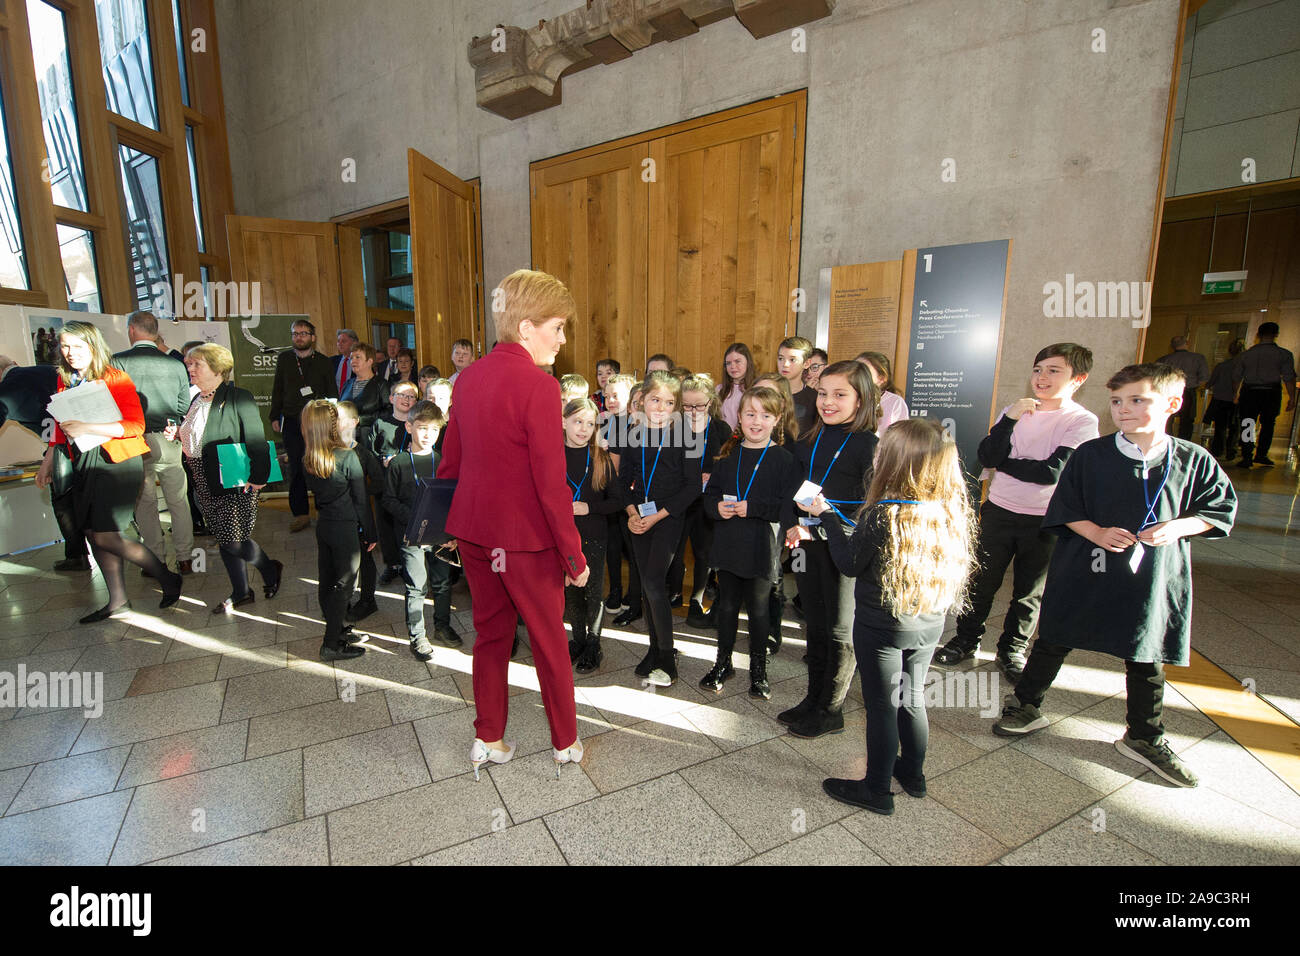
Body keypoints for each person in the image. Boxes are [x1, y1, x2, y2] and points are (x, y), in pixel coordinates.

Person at [993, 364, 1237, 788]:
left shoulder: (1193, 459)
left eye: (1138, 400)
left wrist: (1176, 527)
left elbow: (1216, 511)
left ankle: (1144, 734)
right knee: (1055, 637)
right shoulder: (1092, 455)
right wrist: (1097, 532)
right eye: (1118, 401)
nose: (1124, 410)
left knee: (1145, 651)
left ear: (1172, 404)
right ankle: (1027, 703)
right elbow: (1064, 508)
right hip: (1086, 565)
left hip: (1151, 576)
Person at [437, 269, 590, 779]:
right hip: (525, 542)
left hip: (475, 533)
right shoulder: (539, 386)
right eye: (558, 327)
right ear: (526, 328)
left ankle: (488, 738)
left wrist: (447, 527)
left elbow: (450, 461)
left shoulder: (471, 377)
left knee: (490, 634)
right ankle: (565, 742)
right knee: (548, 638)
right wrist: (574, 556)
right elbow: (551, 485)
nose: (563, 339)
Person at [809, 419, 977, 815]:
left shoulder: (883, 512)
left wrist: (827, 517)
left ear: (896, 462)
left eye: (883, 450)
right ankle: (913, 776)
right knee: (912, 697)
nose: (876, 454)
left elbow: (849, 563)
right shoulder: (948, 509)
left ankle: (876, 789)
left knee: (881, 705)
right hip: (928, 620)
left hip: (882, 625)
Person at [932, 343, 1099, 682]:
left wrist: (1005, 463)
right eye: (1038, 369)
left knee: (1028, 590)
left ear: (1078, 379)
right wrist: (1009, 421)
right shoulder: (1015, 409)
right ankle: (965, 639)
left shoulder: (1081, 420)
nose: (1042, 377)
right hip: (999, 509)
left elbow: (1052, 472)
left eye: (1054, 371)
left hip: (1047, 517)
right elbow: (987, 455)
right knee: (980, 581)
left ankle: (1011, 650)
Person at [34, 321, 182, 622]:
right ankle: (118, 601)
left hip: (117, 462)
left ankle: (166, 577)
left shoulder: (115, 378)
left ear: (92, 346)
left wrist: (87, 426)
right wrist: (48, 460)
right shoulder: (66, 379)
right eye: (65, 346)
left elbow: (135, 426)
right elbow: (62, 430)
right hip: (85, 461)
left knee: (104, 535)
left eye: (77, 346)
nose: (70, 353)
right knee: (91, 531)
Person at [786, 360, 881, 738]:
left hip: (842, 548)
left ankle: (831, 709)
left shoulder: (868, 446)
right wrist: (795, 521)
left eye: (840, 395)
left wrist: (825, 525)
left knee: (841, 629)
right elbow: (793, 488)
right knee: (817, 621)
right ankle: (813, 698)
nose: (828, 402)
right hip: (808, 541)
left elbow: (870, 509)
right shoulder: (810, 438)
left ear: (861, 400)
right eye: (823, 393)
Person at [700, 386, 800, 698]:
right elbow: (709, 496)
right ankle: (723, 662)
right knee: (727, 606)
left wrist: (753, 508)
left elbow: (788, 507)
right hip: (729, 544)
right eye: (750, 414)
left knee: (758, 610)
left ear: (777, 419)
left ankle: (758, 669)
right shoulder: (728, 458)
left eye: (765, 415)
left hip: (761, 545)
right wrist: (716, 507)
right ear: (739, 417)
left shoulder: (784, 460)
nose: (757, 421)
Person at [179, 344, 283, 614]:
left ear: (217, 368)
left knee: (235, 539)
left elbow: (256, 439)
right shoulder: (196, 399)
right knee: (224, 537)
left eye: (196, 364)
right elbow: (197, 435)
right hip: (203, 475)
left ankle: (269, 568)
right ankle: (241, 591)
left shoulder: (238, 396)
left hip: (234, 476)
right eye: (189, 364)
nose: (190, 368)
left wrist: (259, 477)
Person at [618, 369, 702, 687]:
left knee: (653, 582)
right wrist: (630, 512)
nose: (661, 407)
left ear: (676, 406)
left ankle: (667, 657)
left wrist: (657, 516)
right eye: (655, 400)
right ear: (642, 401)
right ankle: (654, 650)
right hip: (638, 517)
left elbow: (692, 486)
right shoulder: (632, 433)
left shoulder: (689, 435)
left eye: (669, 402)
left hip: (668, 518)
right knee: (646, 581)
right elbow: (621, 480)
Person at [112, 311, 194, 575]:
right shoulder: (175, 364)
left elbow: (112, 404)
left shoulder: (118, 361)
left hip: (134, 439)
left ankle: (155, 560)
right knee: (178, 500)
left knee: (144, 502)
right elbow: (184, 405)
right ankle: (185, 557)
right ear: (156, 332)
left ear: (132, 330)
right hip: (169, 436)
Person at [384, 399, 461, 660]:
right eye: (422, 428)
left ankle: (442, 625)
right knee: (416, 586)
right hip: (412, 536)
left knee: (441, 583)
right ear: (409, 427)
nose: (428, 435)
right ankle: (417, 636)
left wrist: (452, 534)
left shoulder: (443, 462)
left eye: (435, 429)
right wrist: (415, 518)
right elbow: (389, 500)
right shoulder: (399, 464)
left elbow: (452, 500)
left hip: (440, 534)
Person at [301, 399, 376, 661]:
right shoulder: (347, 457)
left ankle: (338, 628)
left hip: (325, 527)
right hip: (345, 529)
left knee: (327, 579)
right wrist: (371, 534)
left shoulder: (309, 459)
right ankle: (331, 642)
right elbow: (361, 502)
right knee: (344, 585)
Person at [0, 358, 90, 571]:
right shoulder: (51, 371)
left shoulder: (7, 388)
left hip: (60, 448)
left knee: (62, 501)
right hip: (87, 441)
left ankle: (77, 555)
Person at [562, 398, 623, 673]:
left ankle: (594, 643)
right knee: (571, 592)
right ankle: (577, 640)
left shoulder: (600, 458)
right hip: (563, 538)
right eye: (577, 422)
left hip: (594, 536)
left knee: (593, 592)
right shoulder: (552, 456)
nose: (583, 429)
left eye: (590, 424)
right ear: (563, 422)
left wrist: (590, 507)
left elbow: (617, 501)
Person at [669, 373, 727, 628]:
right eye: (687, 405)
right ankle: (674, 591)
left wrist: (712, 475)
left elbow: (728, 468)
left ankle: (697, 598)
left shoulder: (721, 430)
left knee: (704, 552)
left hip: (706, 502)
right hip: (680, 499)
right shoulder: (673, 427)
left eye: (699, 405)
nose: (693, 411)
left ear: (711, 403)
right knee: (675, 550)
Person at [269, 319, 337, 533]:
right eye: (295, 333)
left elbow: (332, 393)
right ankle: (300, 514)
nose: (299, 337)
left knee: (319, 465)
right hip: (291, 421)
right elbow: (278, 388)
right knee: (296, 467)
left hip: (317, 423)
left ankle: (323, 509)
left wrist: (332, 420)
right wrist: (274, 415)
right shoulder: (285, 359)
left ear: (312, 338)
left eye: (304, 333)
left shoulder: (324, 362)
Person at [368, 381, 420, 582]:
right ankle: (393, 564)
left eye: (412, 396)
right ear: (391, 398)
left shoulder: (417, 424)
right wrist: (382, 461)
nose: (407, 400)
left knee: (407, 523)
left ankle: (410, 564)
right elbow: (370, 452)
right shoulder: (380, 423)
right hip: (386, 483)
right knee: (386, 525)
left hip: (408, 485)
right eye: (402, 395)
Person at [336, 402, 379, 623]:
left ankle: (368, 599)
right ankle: (343, 596)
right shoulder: (330, 451)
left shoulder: (363, 453)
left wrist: (359, 492)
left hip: (360, 517)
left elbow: (379, 483)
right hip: (340, 518)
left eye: (341, 419)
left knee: (365, 558)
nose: (336, 423)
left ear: (354, 422)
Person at [1233, 321, 1297, 468]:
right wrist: (1292, 397)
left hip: (1250, 391)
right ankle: (1261, 454)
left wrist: (1235, 393)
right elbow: (1288, 377)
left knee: (1247, 423)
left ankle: (1247, 455)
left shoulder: (1247, 355)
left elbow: (1237, 377)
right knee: (1268, 424)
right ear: (1276, 335)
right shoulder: (1283, 354)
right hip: (1271, 391)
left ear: (1258, 335)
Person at [1155, 335, 1210, 441]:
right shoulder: (1198, 358)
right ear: (1187, 343)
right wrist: (1196, 385)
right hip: (1189, 391)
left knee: (1167, 418)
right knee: (1187, 421)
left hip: (1167, 391)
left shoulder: (1164, 359)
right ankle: (1183, 445)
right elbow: (1204, 378)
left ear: (1172, 346)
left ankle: (1166, 441)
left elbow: (1156, 378)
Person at [1203, 338, 1245, 459]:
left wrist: (1207, 385)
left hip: (1220, 399)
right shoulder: (1244, 367)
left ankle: (1217, 450)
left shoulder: (1222, 366)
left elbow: (1211, 382)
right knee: (1235, 427)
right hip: (1237, 400)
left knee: (1220, 427)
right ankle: (1232, 451)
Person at [856, 352, 909, 436]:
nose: (857, 376)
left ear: (882, 378)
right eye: (855, 371)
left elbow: (901, 436)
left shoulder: (895, 402)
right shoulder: (849, 398)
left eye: (865, 372)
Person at [339, 343, 389, 425]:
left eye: (357, 357)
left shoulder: (381, 384)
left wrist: (361, 420)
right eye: (351, 358)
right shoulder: (347, 384)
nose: (353, 361)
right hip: (346, 434)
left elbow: (388, 412)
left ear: (370, 361)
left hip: (370, 435)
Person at [778, 336, 817, 437]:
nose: (785, 364)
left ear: (806, 363)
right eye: (781, 358)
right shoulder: (768, 392)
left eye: (792, 360)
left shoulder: (814, 398)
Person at [718, 343, 756, 431]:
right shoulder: (720, 389)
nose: (733, 366)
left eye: (737, 361)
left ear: (748, 362)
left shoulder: (756, 388)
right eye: (728, 363)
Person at [332, 328, 359, 397]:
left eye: (343, 341)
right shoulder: (332, 361)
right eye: (338, 341)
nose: (340, 344)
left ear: (354, 343)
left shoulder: (360, 362)